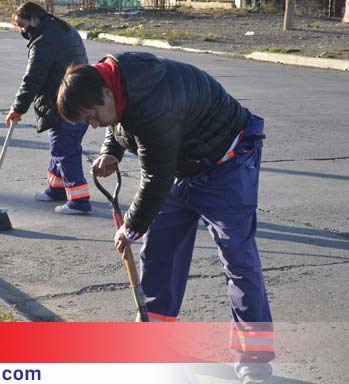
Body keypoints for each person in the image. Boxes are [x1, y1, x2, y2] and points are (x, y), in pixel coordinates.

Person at [57, 52, 274, 384]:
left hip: (227, 162)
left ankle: (254, 360)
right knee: (159, 252)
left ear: (104, 93)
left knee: (239, 260)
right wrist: (110, 151)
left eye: (92, 116)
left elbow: (155, 176)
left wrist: (130, 226)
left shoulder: (154, 103)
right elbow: (116, 121)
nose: (95, 124)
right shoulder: (109, 82)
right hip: (183, 163)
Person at [5, 1, 91, 215]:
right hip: (79, 97)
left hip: (65, 102)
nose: (23, 31)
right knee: (60, 146)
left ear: (34, 18)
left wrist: (18, 108)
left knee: (64, 149)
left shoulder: (45, 41)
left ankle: (79, 201)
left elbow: (33, 78)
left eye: (23, 25)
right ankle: (56, 188)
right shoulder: (60, 28)